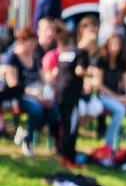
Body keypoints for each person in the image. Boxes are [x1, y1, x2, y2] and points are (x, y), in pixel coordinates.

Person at [3, 27, 59, 157]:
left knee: (54, 110)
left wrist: (47, 94)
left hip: (36, 94)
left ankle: (26, 131)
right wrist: (35, 95)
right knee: (36, 109)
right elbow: (13, 85)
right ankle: (28, 140)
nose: (34, 46)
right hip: (16, 96)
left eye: (35, 43)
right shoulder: (12, 58)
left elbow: (43, 79)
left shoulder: (35, 58)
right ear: (21, 42)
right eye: (31, 42)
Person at [91, 33, 126, 154]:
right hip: (104, 96)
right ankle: (108, 145)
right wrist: (117, 98)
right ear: (107, 45)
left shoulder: (122, 60)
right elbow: (99, 85)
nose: (114, 47)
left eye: (117, 44)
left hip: (119, 96)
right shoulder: (101, 60)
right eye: (112, 44)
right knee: (120, 110)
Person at [53, 29, 89, 168]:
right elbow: (79, 71)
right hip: (71, 95)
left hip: (59, 92)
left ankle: (61, 152)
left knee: (62, 123)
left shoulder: (65, 53)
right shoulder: (82, 52)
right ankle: (69, 159)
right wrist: (90, 74)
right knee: (71, 127)